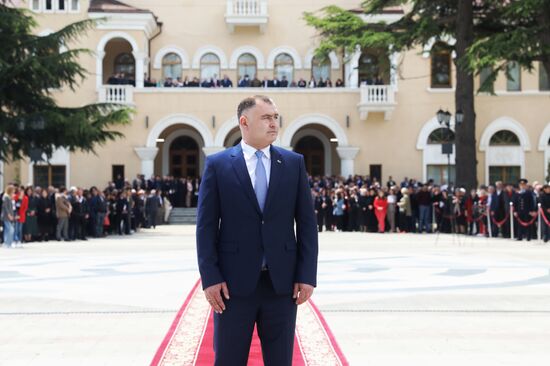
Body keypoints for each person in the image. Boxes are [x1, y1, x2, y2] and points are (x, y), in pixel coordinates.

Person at [196, 95, 318, 365]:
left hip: (282, 285)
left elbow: (307, 223)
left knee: (280, 361)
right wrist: (210, 277)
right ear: (244, 122)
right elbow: (205, 227)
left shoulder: (293, 163)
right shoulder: (218, 165)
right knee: (229, 359)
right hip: (232, 287)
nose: (274, 123)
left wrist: (307, 274)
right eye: (266, 117)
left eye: (275, 117)